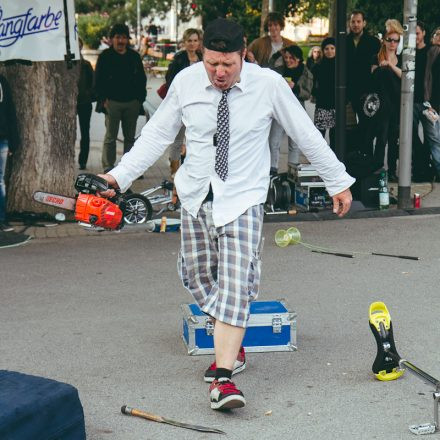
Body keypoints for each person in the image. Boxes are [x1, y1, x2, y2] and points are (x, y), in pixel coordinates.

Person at [99, 18, 354, 411]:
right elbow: (156, 135)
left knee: (235, 283)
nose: (219, 72)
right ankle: (231, 343)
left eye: (227, 65)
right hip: (197, 194)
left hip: (244, 198)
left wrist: (336, 179)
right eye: (211, 63)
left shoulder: (267, 85)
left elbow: (304, 132)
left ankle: (223, 378)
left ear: (243, 56)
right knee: (197, 275)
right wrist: (117, 177)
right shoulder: (186, 82)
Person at [95, 23, 147, 172]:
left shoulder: (134, 56)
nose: (121, 41)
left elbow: (142, 79)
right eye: (118, 37)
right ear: (112, 39)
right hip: (111, 103)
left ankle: (128, 168)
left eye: (124, 37)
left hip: (132, 103)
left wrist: (139, 100)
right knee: (110, 137)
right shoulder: (105, 57)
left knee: (130, 138)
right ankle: (108, 167)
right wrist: (102, 99)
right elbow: (97, 79)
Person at [164, 28, 203, 180]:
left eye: (195, 40)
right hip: (182, 104)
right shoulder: (178, 59)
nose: (192, 44)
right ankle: (174, 170)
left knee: (194, 138)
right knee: (178, 139)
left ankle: (191, 169)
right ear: (184, 42)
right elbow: (170, 82)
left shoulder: (203, 58)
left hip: (199, 104)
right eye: (189, 41)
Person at [268, 45, 313, 171]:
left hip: (296, 111)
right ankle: (273, 170)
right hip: (280, 109)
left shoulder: (305, 72)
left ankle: (291, 172)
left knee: (294, 143)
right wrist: (277, 54)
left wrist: (295, 88)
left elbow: (307, 94)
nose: (287, 60)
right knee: (274, 141)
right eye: (286, 57)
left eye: (291, 58)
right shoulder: (280, 70)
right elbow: (268, 69)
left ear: (298, 59)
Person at [370, 20, 403, 180]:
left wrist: (390, 65)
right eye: (389, 39)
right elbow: (372, 77)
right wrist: (383, 66)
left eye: (396, 40)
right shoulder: (376, 57)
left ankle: (392, 171)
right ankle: (377, 168)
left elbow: (406, 77)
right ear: (384, 40)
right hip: (382, 105)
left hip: (397, 105)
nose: (392, 43)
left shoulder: (402, 59)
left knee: (393, 139)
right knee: (381, 138)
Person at [347, 10, 381, 120]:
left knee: (365, 125)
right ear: (349, 23)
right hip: (348, 91)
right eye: (353, 22)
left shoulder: (374, 42)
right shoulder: (343, 41)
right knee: (347, 129)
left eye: (358, 21)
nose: (356, 24)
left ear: (364, 23)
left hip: (366, 90)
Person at [412, 21, 435, 181]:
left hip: (427, 101)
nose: (415, 37)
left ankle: (427, 169)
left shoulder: (431, 51)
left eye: (417, 33)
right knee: (411, 136)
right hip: (411, 101)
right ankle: (419, 166)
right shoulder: (409, 53)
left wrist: (434, 103)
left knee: (430, 136)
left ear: (424, 33)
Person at [0, 74, 19, 232]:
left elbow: (9, 109)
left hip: (2, 138)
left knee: (0, 182)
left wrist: (14, 141)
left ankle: (1, 219)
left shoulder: (2, 81)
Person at [312, 37, 336, 151]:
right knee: (319, 136)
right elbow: (313, 84)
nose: (329, 51)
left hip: (336, 106)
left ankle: (335, 159)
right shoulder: (318, 66)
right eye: (326, 48)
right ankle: (319, 159)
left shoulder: (340, 66)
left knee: (335, 137)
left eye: (332, 48)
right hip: (322, 105)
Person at [423, 27, 440, 177]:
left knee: (435, 139)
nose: (438, 36)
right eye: (437, 34)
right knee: (434, 139)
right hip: (432, 102)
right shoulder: (431, 52)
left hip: (434, 102)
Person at [77, 38, 95, 170]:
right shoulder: (65, 65)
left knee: (85, 132)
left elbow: (93, 83)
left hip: (84, 102)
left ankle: (83, 160)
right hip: (69, 104)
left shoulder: (86, 65)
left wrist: (88, 94)